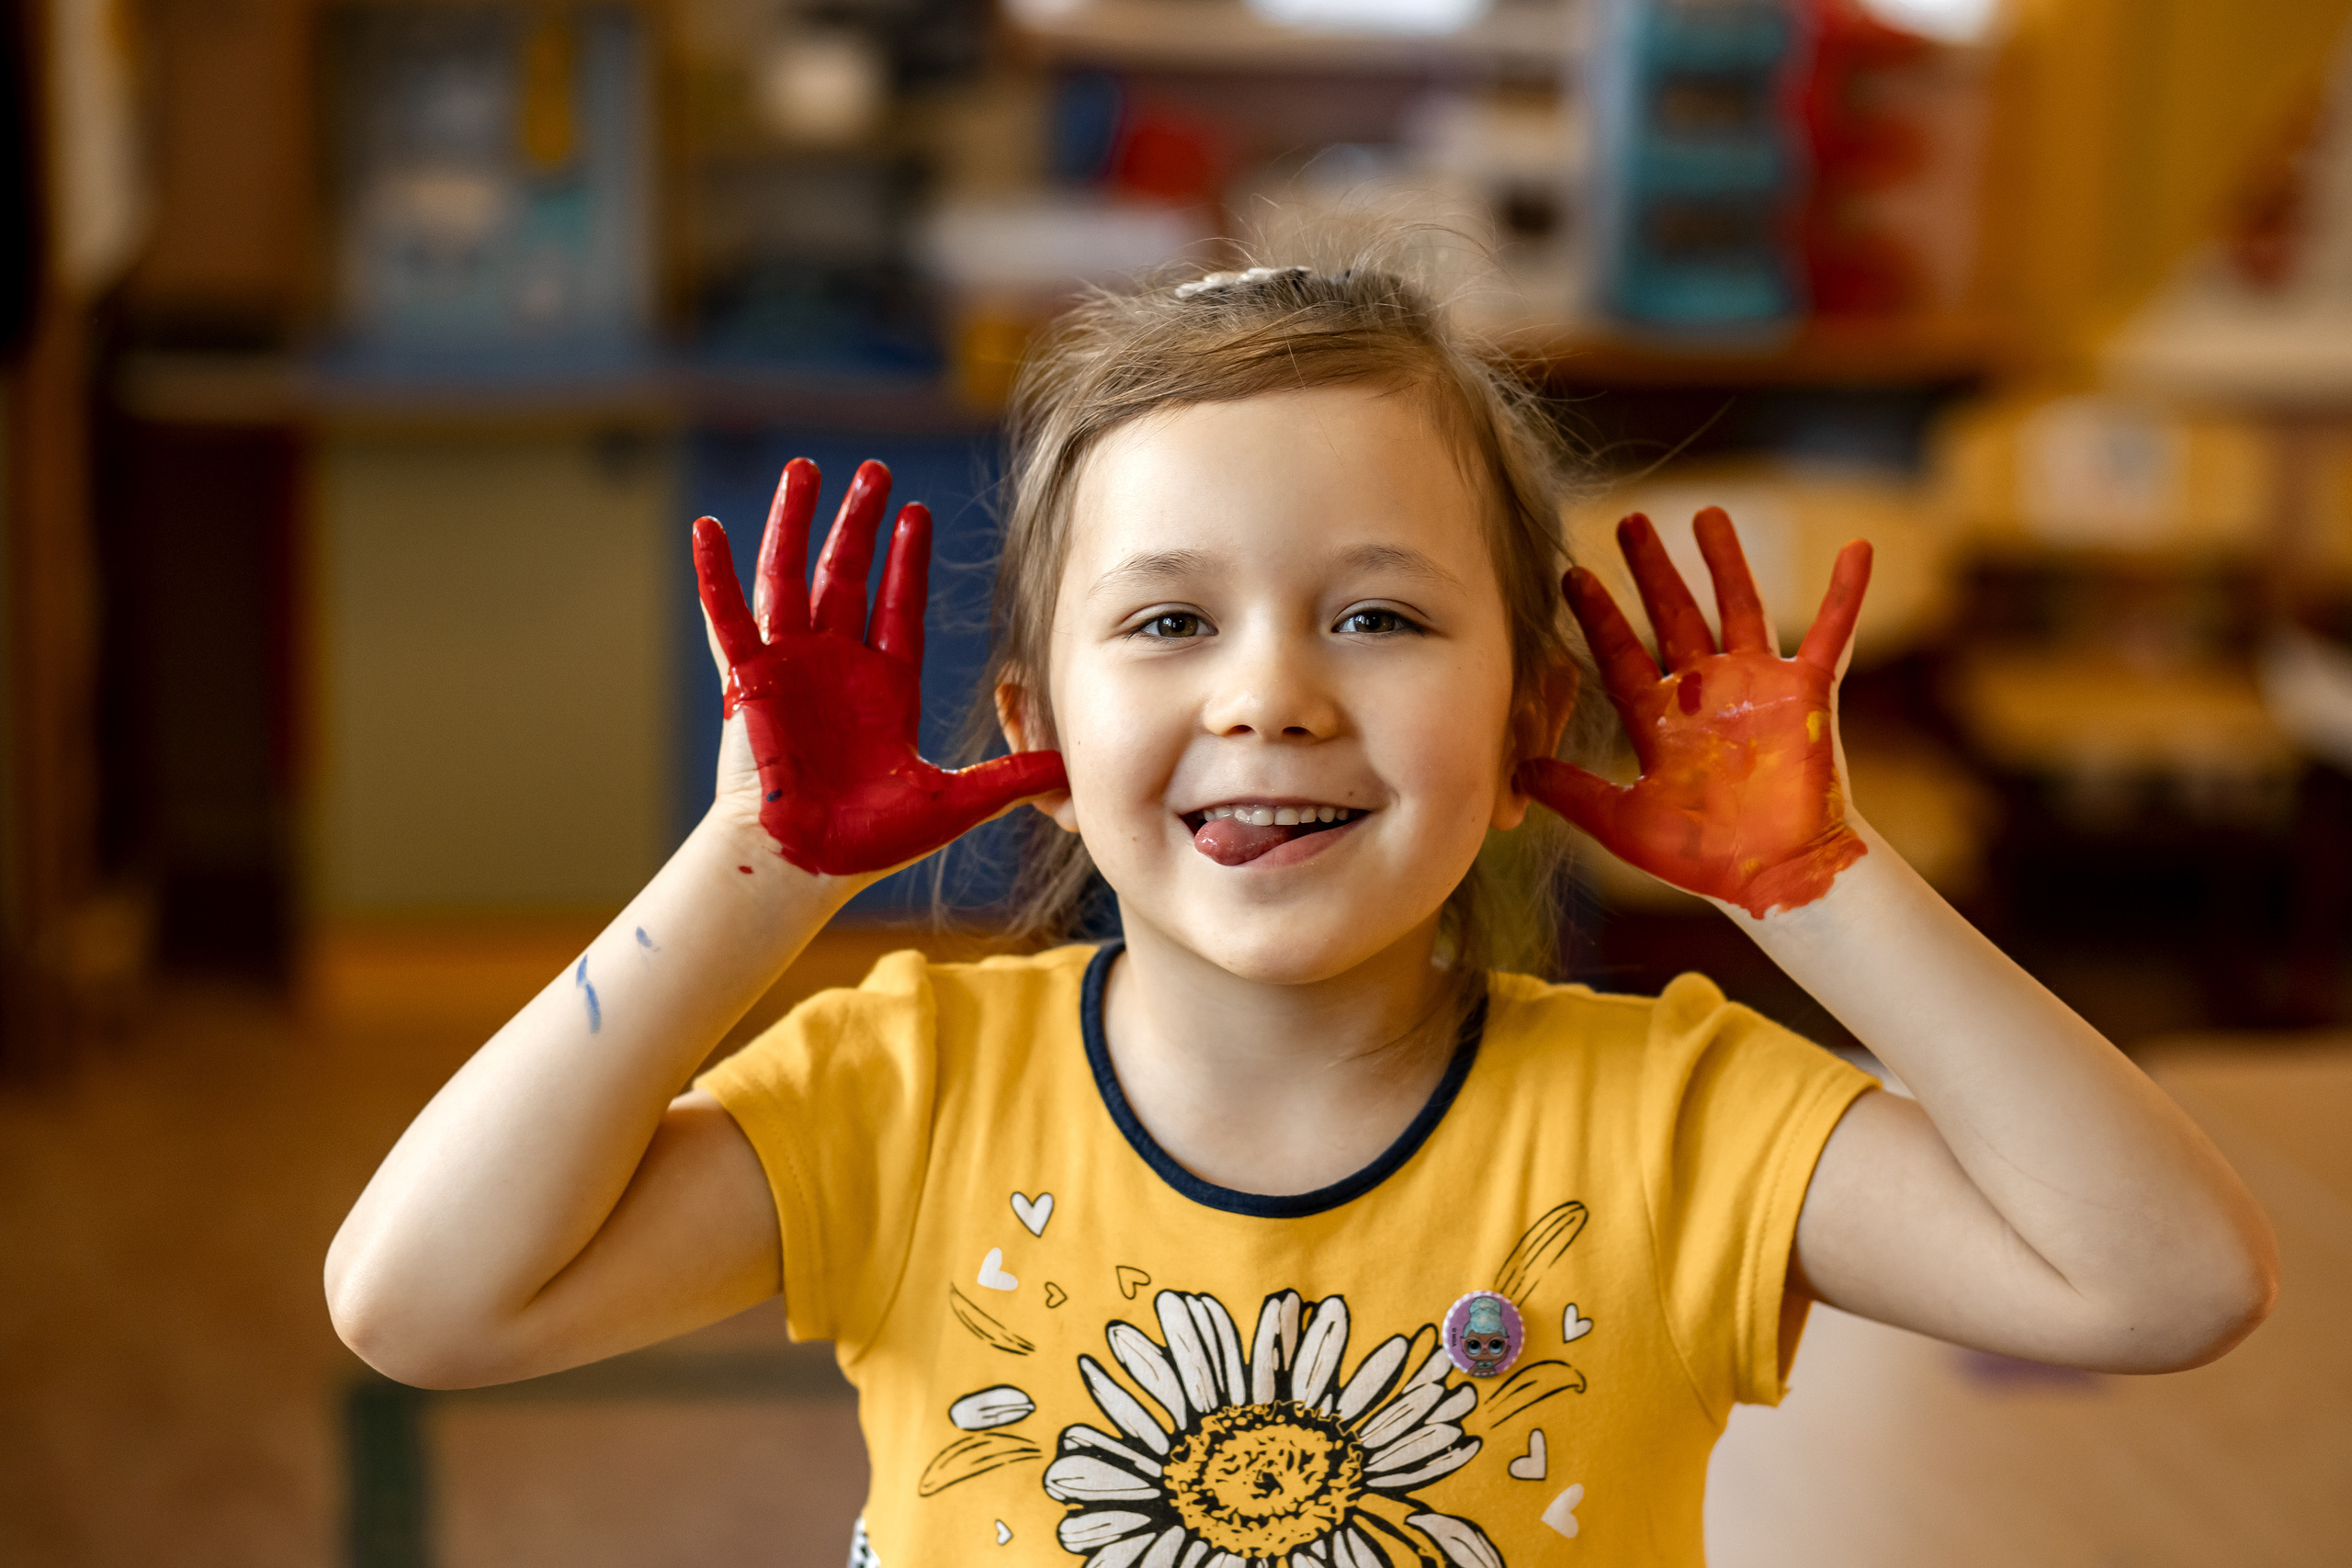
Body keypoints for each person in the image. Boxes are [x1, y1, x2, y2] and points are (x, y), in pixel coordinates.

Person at [326, 256, 2277, 1567]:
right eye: (1170, 619)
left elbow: (2166, 1282)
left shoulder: (1677, 1122)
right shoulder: (901, 1092)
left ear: (1528, 721)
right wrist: (752, 870)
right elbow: (422, 1302)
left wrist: (1819, 891)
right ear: (1032, 732)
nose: (1269, 693)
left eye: (1378, 614)